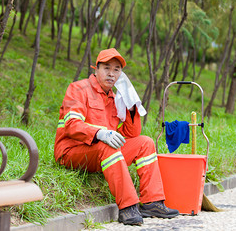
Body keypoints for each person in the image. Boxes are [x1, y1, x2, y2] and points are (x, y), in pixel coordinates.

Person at [54, 48, 179, 225]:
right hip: (71, 152)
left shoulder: (116, 97)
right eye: (106, 68)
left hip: (100, 154)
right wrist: (99, 133)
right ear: (95, 69)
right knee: (107, 145)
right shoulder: (79, 88)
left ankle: (152, 202)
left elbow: (131, 134)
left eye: (117, 69)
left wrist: (131, 105)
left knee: (145, 143)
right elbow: (71, 125)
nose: (111, 74)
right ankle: (128, 206)